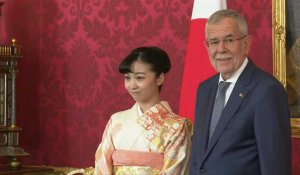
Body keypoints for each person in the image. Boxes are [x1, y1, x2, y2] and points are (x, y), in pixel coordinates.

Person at [190, 9, 291, 175]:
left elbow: (275, 166)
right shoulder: (205, 89)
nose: (221, 49)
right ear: (207, 46)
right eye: (214, 42)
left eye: (229, 40)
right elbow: (199, 158)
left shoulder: (267, 91)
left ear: (246, 43)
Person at [95, 46, 192, 175]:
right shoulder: (116, 120)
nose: (132, 85)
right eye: (127, 78)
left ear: (159, 78)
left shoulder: (177, 126)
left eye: (139, 78)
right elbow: (102, 165)